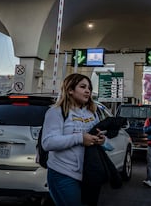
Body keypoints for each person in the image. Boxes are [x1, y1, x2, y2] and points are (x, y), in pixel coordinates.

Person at [42, 73, 106, 206]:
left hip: (88, 174)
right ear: (70, 90)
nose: (88, 90)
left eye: (89, 87)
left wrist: (102, 140)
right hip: (62, 174)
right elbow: (48, 143)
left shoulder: (92, 113)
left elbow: (101, 141)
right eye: (82, 87)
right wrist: (79, 138)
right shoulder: (56, 112)